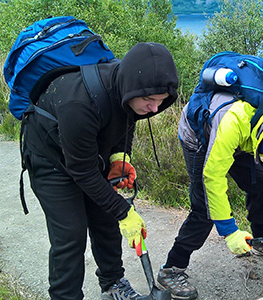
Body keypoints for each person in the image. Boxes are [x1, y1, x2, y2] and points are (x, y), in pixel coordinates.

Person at [21, 42, 179, 300]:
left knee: (105, 221)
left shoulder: (129, 90)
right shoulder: (79, 103)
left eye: (160, 102)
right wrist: (124, 211)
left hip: (86, 152)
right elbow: (82, 172)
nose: (154, 109)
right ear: (132, 89)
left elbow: (127, 120)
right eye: (149, 100)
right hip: (50, 159)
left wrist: (119, 157)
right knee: (70, 235)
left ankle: (113, 284)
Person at [156, 85, 263, 298]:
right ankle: (171, 269)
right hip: (200, 137)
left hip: (244, 140)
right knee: (204, 208)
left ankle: (261, 240)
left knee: (259, 183)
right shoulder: (234, 121)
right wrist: (229, 231)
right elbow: (214, 177)